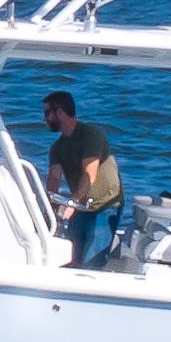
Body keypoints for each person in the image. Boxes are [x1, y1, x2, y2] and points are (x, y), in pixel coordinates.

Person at [40, 90, 125, 266]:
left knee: (91, 262)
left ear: (60, 112)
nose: (45, 118)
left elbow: (90, 173)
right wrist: (49, 212)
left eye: (47, 113)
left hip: (105, 206)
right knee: (71, 259)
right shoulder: (57, 148)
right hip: (81, 206)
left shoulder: (90, 134)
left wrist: (72, 204)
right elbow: (54, 181)